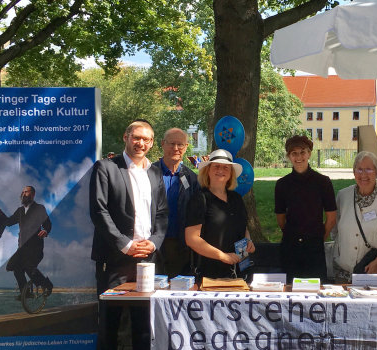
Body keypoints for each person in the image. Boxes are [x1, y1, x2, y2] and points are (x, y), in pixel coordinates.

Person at [89, 120, 168, 350]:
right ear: (126, 137)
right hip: (114, 260)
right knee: (109, 325)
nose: (140, 143)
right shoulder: (105, 168)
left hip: (147, 260)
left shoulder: (154, 172)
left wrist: (153, 244)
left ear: (152, 143)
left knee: (144, 326)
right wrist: (125, 244)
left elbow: (162, 214)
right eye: (136, 137)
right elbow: (98, 211)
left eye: (146, 139)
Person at [331, 151, 377, 283]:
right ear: (354, 172)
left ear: (376, 172)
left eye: (369, 169)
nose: (363, 174)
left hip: (375, 273)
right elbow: (335, 231)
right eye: (359, 169)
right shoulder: (343, 196)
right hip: (343, 273)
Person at [185, 149, 255, 279]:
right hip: (210, 274)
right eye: (216, 166)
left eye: (225, 167)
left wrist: (248, 240)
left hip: (240, 271)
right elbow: (191, 239)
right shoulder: (200, 199)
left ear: (231, 173)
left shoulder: (236, 198)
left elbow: (243, 226)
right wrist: (222, 256)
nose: (220, 170)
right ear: (208, 170)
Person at [274, 135, 336, 281]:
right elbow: (281, 218)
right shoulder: (282, 185)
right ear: (289, 156)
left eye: (302, 152)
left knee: (315, 291)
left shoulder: (323, 182)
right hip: (291, 247)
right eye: (294, 153)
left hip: (314, 247)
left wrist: (318, 238)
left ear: (309, 154)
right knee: (290, 291)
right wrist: (294, 235)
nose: (299, 157)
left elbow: (331, 217)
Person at [152, 128, 200, 278]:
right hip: (152, 243)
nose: (175, 148)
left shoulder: (191, 178)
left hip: (180, 245)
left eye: (180, 145)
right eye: (171, 143)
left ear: (186, 147)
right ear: (162, 144)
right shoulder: (148, 172)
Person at [5, 186, 53, 300]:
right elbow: (8, 222)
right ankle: (26, 293)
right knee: (13, 266)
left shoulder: (39, 208)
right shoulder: (20, 211)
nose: (23, 194)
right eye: (22, 192)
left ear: (33, 194)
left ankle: (47, 285)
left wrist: (45, 231)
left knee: (28, 267)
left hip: (34, 247)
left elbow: (47, 223)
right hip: (22, 248)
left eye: (26, 192)